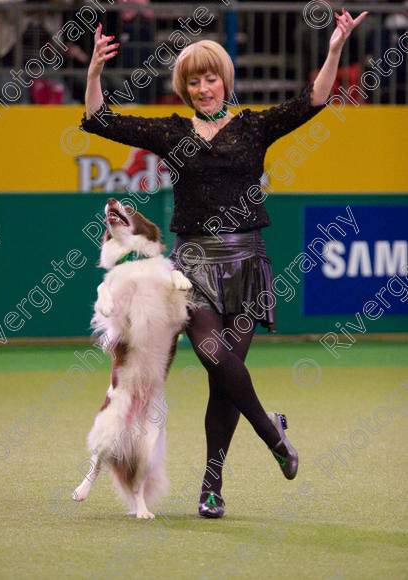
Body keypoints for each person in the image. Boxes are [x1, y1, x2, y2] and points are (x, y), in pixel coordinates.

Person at [80, 7, 368, 518]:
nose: (203, 87)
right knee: (213, 354)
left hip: (247, 263)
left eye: (211, 78)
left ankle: (211, 486)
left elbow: (315, 100)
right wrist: (96, 73)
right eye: (193, 81)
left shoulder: (255, 127)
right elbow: (102, 120)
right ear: (185, 87)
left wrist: (334, 50)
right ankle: (271, 432)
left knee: (224, 381)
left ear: (224, 80)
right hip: (190, 268)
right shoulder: (172, 132)